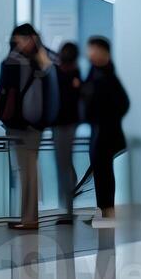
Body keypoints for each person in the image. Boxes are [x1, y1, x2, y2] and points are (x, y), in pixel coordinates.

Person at [0, 23, 56, 231]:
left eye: (22, 39)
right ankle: (27, 217)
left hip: (23, 125)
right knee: (26, 170)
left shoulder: (17, 62)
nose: (19, 43)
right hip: (33, 124)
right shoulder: (41, 62)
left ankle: (29, 219)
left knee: (27, 171)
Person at [81, 36, 129, 228]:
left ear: (103, 51)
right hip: (98, 130)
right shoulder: (96, 72)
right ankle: (103, 212)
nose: (89, 53)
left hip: (105, 132)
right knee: (101, 173)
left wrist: (107, 118)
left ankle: (107, 213)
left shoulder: (106, 75)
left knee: (104, 173)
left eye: (93, 49)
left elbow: (123, 103)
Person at [51, 42, 82, 224]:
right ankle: (68, 203)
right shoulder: (75, 73)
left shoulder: (59, 73)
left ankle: (67, 210)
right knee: (66, 163)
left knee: (62, 165)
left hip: (62, 125)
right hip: (71, 123)